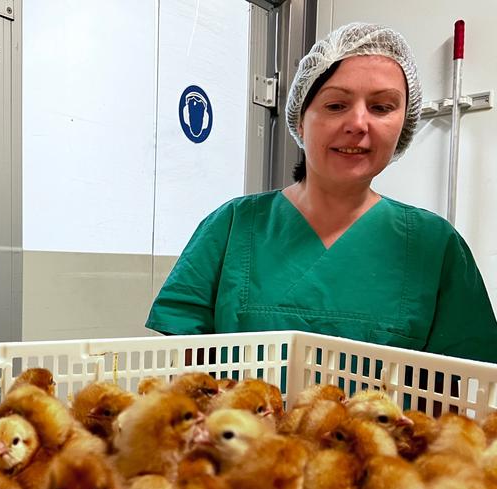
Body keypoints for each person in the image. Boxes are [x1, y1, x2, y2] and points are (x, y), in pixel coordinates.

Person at [146, 23, 497, 363]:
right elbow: (184, 362)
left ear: (404, 123)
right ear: (300, 118)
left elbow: (465, 381)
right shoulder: (233, 227)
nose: (358, 124)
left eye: (381, 107)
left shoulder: (435, 246)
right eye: (335, 105)